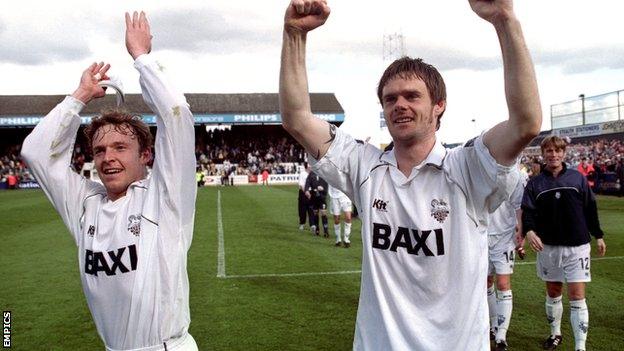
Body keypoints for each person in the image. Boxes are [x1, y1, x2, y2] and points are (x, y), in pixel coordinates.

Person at [279, 0, 542, 349]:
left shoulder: (467, 168)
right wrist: (294, 35)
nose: (399, 105)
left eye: (412, 96)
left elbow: (526, 123)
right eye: (390, 99)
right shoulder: (366, 168)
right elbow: (296, 118)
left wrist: (505, 20)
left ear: (439, 105)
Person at [21, 12, 198, 350]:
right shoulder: (85, 204)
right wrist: (79, 97)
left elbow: (176, 113)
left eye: (120, 147)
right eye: (99, 150)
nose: (108, 157)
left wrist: (142, 58)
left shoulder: (164, 197)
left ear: (145, 155)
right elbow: (35, 153)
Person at [522, 135, 606, 351]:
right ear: (543, 154)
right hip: (549, 247)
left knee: (577, 296)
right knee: (553, 292)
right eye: (549, 151)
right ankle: (555, 334)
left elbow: (590, 208)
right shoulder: (535, 183)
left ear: (564, 153)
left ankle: (580, 346)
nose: (554, 155)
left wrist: (598, 235)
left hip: (577, 246)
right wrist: (529, 231)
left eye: (558, 151)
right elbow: (529, 212)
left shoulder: (577, 178)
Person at [486, 171, 527, 350]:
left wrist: (521, 232)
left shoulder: (516, 176)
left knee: (503, 284)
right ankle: (494, 326)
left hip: (504, 236)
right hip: (481, 235)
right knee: (485, 283)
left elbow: (519, 206)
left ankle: (501, 334)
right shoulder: (480, 167)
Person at [305, 170, 330, 236]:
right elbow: (307, 182)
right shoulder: (312, 173)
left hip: (322, 197)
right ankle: (317, 230)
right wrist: (306, 190)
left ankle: (326, 231)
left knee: (323, 213)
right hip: (314, 196)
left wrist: (323, 189)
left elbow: (327, 183)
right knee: (315, 213)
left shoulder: (324, 172)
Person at [297, 162, 312, 230]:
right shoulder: (302, 174)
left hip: (311, 193)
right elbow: (301, 185)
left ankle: (312, 225)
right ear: (307, 167)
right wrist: (306, 192)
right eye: (310, 166)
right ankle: (302, 224)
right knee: (302, 209)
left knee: (311, 209)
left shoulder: (312, 174)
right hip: (303, 193)